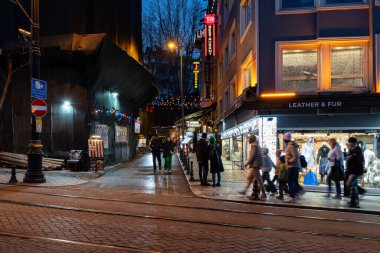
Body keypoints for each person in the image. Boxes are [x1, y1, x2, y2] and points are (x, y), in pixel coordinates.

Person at [239, 135, 266, 200]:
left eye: (249, 139)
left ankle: (264, 194)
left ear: (252, 139)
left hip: (255, 165)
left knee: (259, 180)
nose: (248, 140)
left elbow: (252, 156)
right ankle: (245, 191)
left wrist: (246, 164)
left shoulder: (254, 146)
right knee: (249, 178)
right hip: (254, 165)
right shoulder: (256, 145)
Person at [283, 132, 304, 203]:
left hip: (292, 166)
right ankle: (296, 193)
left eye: (284, 138)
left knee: (290, 181)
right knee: (293, 181)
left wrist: (289, 162)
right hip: (293, 166)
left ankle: (292, 196)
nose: (283, 140)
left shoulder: (290, 146)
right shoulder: (290, 145)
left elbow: (295, 156)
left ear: (286, 139)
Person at [345, 137, 365, 208]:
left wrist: (351, 157)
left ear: (353, 143)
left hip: (355, 171)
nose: (349, 143)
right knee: (352, 185)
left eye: (349, 142)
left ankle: (355, 202)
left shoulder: (357, 150)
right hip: (352, 171)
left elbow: (358, 161)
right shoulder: (352, 150)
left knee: (351, 185)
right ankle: (353, 201)